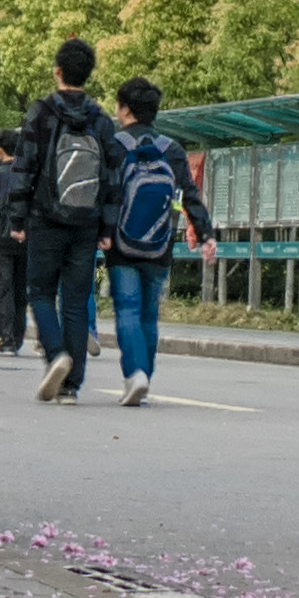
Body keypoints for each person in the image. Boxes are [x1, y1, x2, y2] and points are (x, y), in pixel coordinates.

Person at [14, 37, 121, 401]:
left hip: (45, 218)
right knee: (76, 301)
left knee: (40, 292)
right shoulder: (102, 121)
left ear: (57, 71)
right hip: (86, 223)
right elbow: (112, 177)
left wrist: (16, 219)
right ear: (88, 74)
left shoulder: (41, 111)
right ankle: (71, 385)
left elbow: (24, 165)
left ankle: (56, 353)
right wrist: (106, 227)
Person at [101, 74, 210, 405]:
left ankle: (134, 374)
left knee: (127, 308)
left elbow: (104, 193)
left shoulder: (115, 146)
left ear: (124, 109)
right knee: (149, 312)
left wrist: (100, 232)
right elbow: (189, 195)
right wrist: (205, 234)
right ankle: (144, 375)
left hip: (121, 243)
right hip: (160, 242)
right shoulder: (172, 150)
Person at [0, 127, 38, 357]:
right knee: (21, 289)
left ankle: (7, 337)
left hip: (1, 240)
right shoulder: (30, 176)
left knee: (3, 288)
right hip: (27, 238)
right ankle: (18, 334)